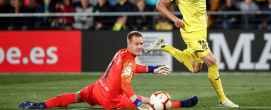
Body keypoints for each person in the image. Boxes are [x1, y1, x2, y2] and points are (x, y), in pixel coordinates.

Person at [147, 0, 239, 108]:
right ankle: (223, 99)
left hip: (202, 28)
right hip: (190, 30)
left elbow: (199, 3)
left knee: (196, 68)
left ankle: (164, 46)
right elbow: (159, 5)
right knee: (212, 61)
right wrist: (175, 19)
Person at [19, 31, 198, 110]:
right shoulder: (129, 60)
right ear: (129, 43)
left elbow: (130, 70)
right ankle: (182, 104)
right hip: (113, 99)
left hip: (97, 89)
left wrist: (152, 68)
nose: (140, 47)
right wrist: (136, 103)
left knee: (76, 96)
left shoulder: (121, 53)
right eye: (137, 44)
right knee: (153, 104)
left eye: (142, 44)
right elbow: (126, 84)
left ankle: (41, 105)